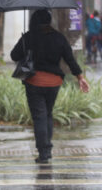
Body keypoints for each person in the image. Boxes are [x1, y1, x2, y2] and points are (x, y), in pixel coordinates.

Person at [11, 9, 89, 164]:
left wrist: (26, 44)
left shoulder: (29, 37)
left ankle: (44, 153)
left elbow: (14, 56)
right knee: (47, 114)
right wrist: (80, 77)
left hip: (34, 82)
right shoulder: (59, 37)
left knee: (40, 116)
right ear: (49, 21)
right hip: (54, 83)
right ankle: (47, 149)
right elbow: (70, 60)